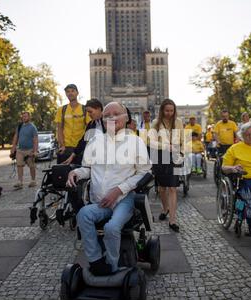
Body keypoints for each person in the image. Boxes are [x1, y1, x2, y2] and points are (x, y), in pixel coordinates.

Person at [67, 102, 151, 276]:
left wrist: (119, 190)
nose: (111, 118)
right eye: (107, 115)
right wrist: (75, 172)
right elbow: (88, 169)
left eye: (116, 114)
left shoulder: (135, 142)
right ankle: (96, 261)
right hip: (101, 202)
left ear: (126, 118)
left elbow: (144, 172)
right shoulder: (95, 141)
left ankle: (112, 265)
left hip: (123, 200)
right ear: (102, 120)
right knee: (83, 215)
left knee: (112, 228)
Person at [148, 99, 184, 233]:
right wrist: (165, 146)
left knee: (173, 188)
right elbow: (151, 142)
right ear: (162, 110)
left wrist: (182, 154)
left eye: (172, 110)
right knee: (162, 188)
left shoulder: (178, 122)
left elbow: (182, 140)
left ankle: (172, 220)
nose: (169, 113)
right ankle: (165, 209)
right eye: (167, 110)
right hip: (159, 157)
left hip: (174, 156)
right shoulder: (155, 123)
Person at [55, 84, 91, 164]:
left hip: (80, 148)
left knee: (80, 173)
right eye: (68, 92)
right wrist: (62, 145)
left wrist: (87, 146)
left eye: (72, 91)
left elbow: (89, 129)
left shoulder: (84, 109)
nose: (70, 93)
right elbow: (59, 129)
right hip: (66, 148)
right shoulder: (61, 110)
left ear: (77, 93)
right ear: (66, 94)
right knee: (63, 173)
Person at [63, 99, 105, 165]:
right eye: (88, 112)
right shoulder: (91, 124)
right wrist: (72, 156)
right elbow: (83, 141)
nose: (89, 115)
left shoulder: (109, 122)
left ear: (99, 109)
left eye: (90, 112)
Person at [10, 111, 38, 189]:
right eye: (23, 116)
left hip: (30, 150)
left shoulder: (32, 127)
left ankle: (33, 180)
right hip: (20, 150)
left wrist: (35, 151)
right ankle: (20, 182)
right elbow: (16, 137)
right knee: (19, 165)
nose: (24, 117)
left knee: (31, 166)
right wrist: (13, 147)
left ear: (29, 117)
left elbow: (35, 139)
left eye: (26, 116)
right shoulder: (19, 126)